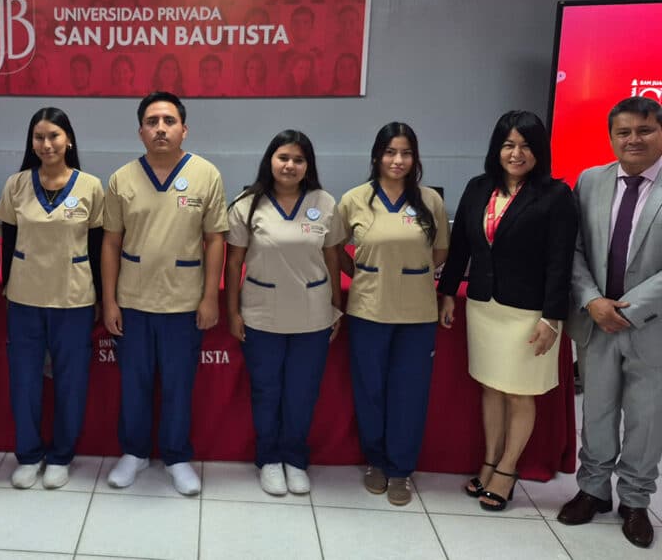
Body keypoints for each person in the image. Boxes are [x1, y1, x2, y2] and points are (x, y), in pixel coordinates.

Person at [437, 111, 577, 512]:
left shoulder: (555, 195)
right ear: (496, 148)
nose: (516, 153)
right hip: (484, 306)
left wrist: (552, 318)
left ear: (539, 151)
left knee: (519, 393)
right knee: (491, 387)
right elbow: (461, 244)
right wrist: (448, 293)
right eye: (508, 144)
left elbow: (559, 261)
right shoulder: (479, 187)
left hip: (529, 313)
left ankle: (508, 469)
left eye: (526, 145)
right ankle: (489, 460)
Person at [101, 91, 227, 495]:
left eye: (169, 121)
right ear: (140, 131)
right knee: (134, 383)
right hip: (134, 300)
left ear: (184, 129)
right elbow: (110, 244)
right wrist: (109, 300)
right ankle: (134, 453)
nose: (160, 128)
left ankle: (176, 456)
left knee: (178, 384)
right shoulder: (122, 178)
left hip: (184, 302)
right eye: (152, 121)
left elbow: (216, 240)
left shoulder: (206, 174)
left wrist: (210, 297)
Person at [557, 96, 662, 549]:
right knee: (596, 409)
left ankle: (636, 501)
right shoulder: (590, 181)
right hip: (596, 321)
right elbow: (573, 249)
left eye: (644, 130)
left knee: (645, 416)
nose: (633, 139)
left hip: (652, 326)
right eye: (624, 132)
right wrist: (593, 300)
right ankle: (593, 490)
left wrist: (630, 308)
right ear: (611, 136)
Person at [225, 130, 344, 496]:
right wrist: (232, 311)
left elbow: (333, 257)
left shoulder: (324, 202)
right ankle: (269, 459)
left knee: (302, 392)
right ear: (270, 161)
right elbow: (233, 263)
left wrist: (336, 308)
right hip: (262, 314)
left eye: (298, 159)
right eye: (283, 158)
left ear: (308, 165)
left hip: (312, 314)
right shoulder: (248, 204)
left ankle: (294, 459)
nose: (290, 165)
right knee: (266, 390)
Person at [338, 122, 449, 506]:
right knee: (370, 390)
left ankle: (401, 469)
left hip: (416, 313)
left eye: (405, 153)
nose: (397, 160)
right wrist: (363, 275)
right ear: (376, 156)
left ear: (415, 158)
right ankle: (377, 463)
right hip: (368, 310)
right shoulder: (354, 199)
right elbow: (335, 247)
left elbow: (439, 253)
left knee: (410, 393)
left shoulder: (430, 201)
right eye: (390, 152)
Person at [0, 107, 104, 490]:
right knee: (25, 379)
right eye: (39, 137)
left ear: (68, 139)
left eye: (54, 136)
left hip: (74, 298)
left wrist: (102, 300)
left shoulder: (90, 186)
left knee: (71, 381)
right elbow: (7, 240)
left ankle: (60, 455)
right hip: (24, 297)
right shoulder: (17, 184)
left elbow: (97, 244)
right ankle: (28, 454)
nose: (46, 144)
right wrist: (7, 285)